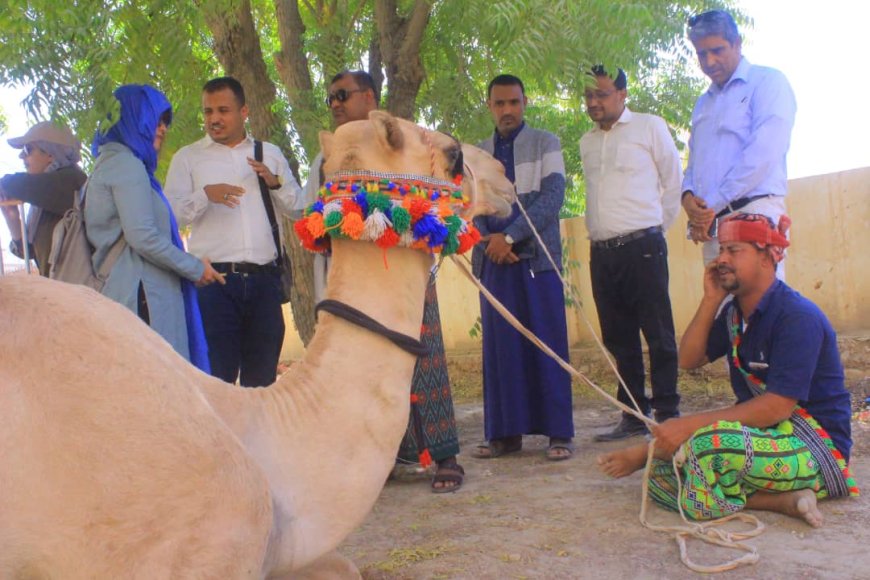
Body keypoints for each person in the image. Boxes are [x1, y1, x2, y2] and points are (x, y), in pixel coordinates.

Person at [598, 213, 857, 526]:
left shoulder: (796, 317)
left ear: (766, 257)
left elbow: (777, 407)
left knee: (707, 448)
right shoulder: (735, 313)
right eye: (721, 250)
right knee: (660, 478)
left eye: (734, 250)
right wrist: (711, 300)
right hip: (766, 438)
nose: (721, 259)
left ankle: (653, 455)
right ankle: (780, 502)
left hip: (814, 447)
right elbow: (689, 359)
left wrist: (687, 426)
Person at [305, 70, 465, 492]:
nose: (336, 103)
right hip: (356, 278)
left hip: (405, 268)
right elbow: (317, 214)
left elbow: (438, 189)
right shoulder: (328, 153)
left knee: (424, 353)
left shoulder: (404, 140)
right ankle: (385, 457)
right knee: (366, 361)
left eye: (343, 94)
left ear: (369, 97)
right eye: (331, 98)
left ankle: (446, 455)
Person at [165, 76, 301, 387]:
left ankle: (255, 438)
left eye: (223, 110)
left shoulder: (269, 154)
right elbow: (170, 214)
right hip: (214, 285)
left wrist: (274, 183)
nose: (214, 119)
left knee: (261, 385)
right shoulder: (188, 157)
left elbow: (297, 209)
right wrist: (205, 195)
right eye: (208, 112)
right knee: (215, 383)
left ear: (244, 112)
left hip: (264, 284)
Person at [473, 74, 575, 461]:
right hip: (493, 262)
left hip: (537, 260)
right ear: (490, 106)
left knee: (547, 343)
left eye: (513, 102)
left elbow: (553, 198)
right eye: (499, 104)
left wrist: (510, 238)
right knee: (502, 349)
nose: (507, 110)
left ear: (525, 103)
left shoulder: (545, 142)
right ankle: (504, 434)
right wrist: (488, 241)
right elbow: (472, 205)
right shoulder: (478, 153)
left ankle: (559, 435)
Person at [86, 84, 223, 370]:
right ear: (136, 118)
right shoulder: (126, 165)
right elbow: (143, 236)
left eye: (165, 123)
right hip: (143, 300)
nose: (162, 129)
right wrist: (194, 267)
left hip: (134, 296)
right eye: (155, 120)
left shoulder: (112, 163)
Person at [579, 66, 683, 441]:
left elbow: (673, 183)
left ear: (622, 94)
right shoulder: (586, 142)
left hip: (643, 247)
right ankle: (634, 415)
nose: (594, 102)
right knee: (618, 338)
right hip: (602, 253)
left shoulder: (649, 127)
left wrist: (654, 230)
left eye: (602, 94)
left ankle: (668, 413)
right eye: (589, 95)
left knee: (658, 334)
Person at [681, 10, 797, 271]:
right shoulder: (703, 103)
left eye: (717, 50)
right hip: (713, 227)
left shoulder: (768, 82)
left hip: (755, 217)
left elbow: (763, 155)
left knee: (759, 308)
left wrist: (711, 204)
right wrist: (688, 198)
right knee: (722, 309)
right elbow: (694, 160)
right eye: (702, 54)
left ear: (737, 43)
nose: (709, 61)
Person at [0, 122, 86, 276]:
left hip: (79, 295)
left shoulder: (71, 180)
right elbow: (31, 253)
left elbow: (12, 184)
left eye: (28, 149)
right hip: (65, 294)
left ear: (51, 154)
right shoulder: (47, 196)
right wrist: (13, 220)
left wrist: (4, 185)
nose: (21, 156)